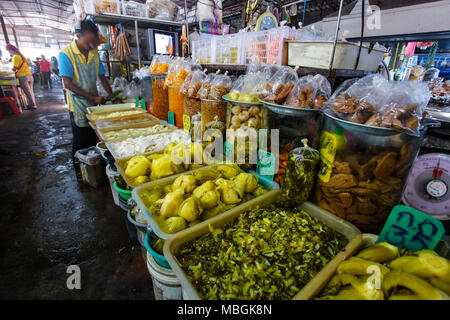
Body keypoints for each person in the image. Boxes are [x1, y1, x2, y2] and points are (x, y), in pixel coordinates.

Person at [59, 19, 114, 180]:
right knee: (80, 138)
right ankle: (80, 170)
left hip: (93, 101)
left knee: (93, 136)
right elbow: (67, 83)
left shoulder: (94, 53)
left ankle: (95, 167)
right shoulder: (66, 54)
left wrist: (112, 97)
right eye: (88, 43)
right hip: (77, 104)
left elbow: (102, 77)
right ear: (78, 35)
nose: (91, 46)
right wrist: (93, 97)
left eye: (94, 43)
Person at [6, 43, 37, 110]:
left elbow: (15, 67)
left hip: (23, 76)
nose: (9, 53)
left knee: (27, 92)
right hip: (30, 75)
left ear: (11, 50)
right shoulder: (22, 56)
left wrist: (9, 71)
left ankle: (32, 105)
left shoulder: (15, 57)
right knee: (31, 91)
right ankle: (33, 104)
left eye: (9, 51)